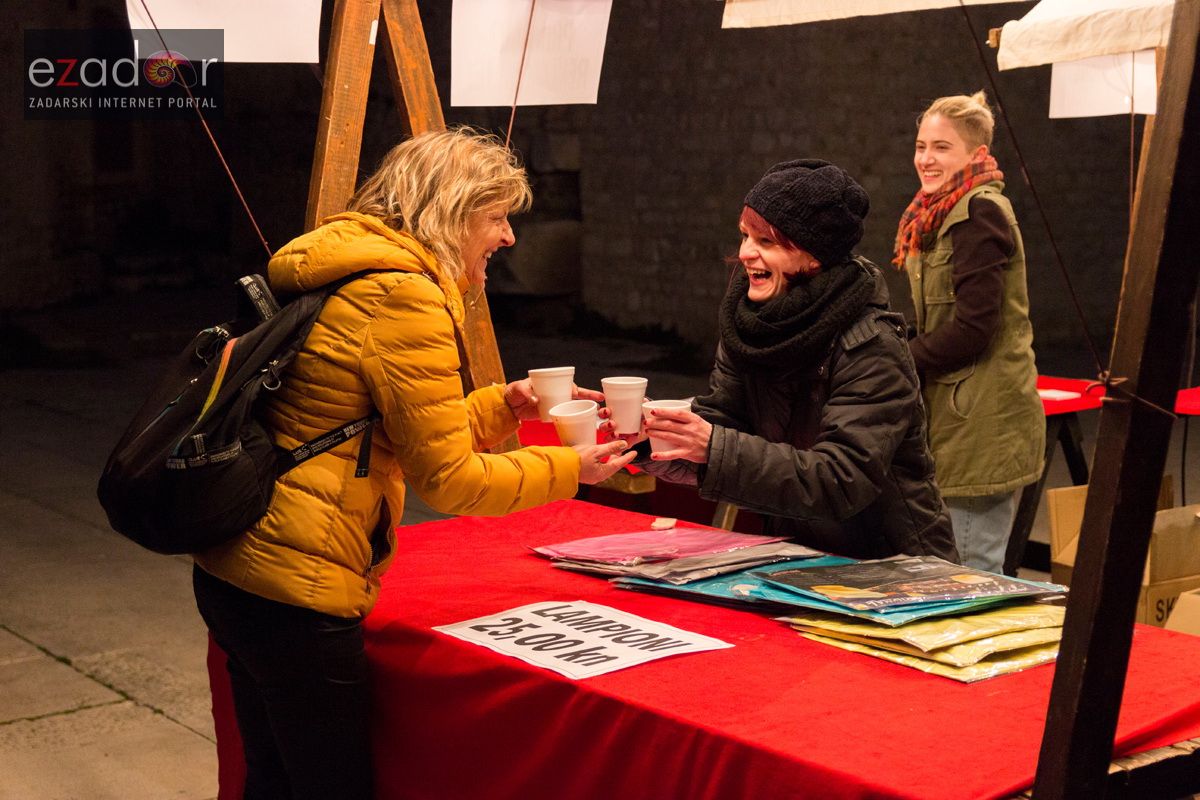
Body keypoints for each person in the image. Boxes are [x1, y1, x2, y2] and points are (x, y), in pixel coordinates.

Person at [191, 127, 635, 800]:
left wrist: (506, 406)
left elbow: (373, 428)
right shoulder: (405, 295)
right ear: (451, 212)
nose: (509, 237)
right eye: (497, 217)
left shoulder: (342, 265)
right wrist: (573, 468)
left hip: (239, 565)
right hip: (298, 589)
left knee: (273, 782)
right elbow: (449, 480)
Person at [620, 158, 957, 562]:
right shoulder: (749, 326)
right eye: (745, 236)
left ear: (814, 256)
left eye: (767, 242)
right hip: (799, 559)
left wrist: (712, 446)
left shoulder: (870, 341)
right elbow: (725, 427)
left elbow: (841, 479)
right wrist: (649, 440)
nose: (745, 253)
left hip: (896, 569)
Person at [893, 91, 1045, 574]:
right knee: (949, 568)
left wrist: (896, 359)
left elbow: (973, 328)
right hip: (958, 415)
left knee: (971, 571)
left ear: (977, 155)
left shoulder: (978, 213)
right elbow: (941, 316)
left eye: (941, 147)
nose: (926, 159)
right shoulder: (938, 213)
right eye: (921, 145)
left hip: (983, 421)